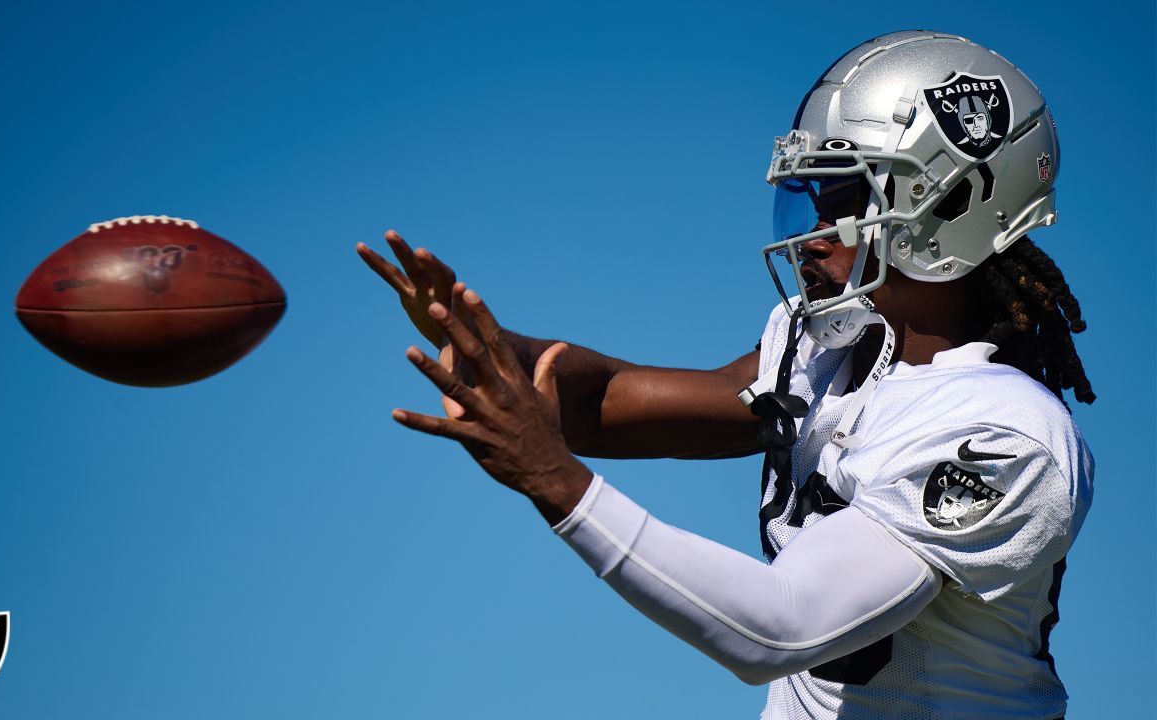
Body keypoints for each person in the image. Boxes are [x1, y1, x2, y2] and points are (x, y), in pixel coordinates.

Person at [359, 30, 1093, 719]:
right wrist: (481, 342)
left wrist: (557, 481)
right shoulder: (831, 354)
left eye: (843, 200)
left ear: (949, 208)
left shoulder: (1006, 436)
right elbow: (604, 398)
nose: (809, 238)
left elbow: (782, 626)